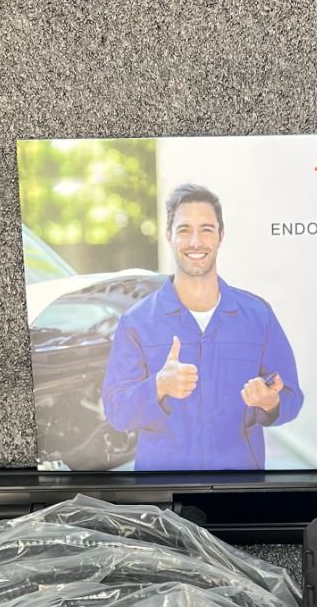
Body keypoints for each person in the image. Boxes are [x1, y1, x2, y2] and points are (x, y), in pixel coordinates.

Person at [101, 183, 304, 470]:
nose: (195, 242)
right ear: (169, 235)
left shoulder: (258, 315)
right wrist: (158, 386)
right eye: (184, 230)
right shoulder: (137, 322)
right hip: (163, 488)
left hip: (239, 485)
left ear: (221, 235)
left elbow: (291, 397)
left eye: (206, 229)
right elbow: (116, 410)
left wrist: (271, 402)